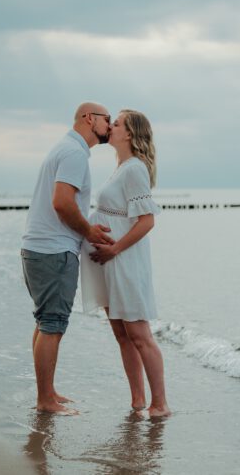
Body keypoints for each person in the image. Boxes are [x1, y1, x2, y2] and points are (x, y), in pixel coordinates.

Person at [21, 102, 114, 414]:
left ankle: (47, 392)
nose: (111, 126)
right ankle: (45, 401)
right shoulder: (74, 153)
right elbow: (62, 202)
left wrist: (85, 226)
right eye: (107, 120)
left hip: (39, 248)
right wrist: (88, 230)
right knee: (52, 323)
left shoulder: (66, 149)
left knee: (46, 321)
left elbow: (63, 202)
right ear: (89, 119)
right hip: (53, 250)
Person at [81, 109, 171, 417]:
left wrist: (115, 249)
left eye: (116, 124)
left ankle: (160, 404)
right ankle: (137, 402)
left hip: (125, 260)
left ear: (129, 134)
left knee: (139, 335)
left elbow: (147, 222)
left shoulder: (134, 169)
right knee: (122, 335)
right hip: (109, 260)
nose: (110, 127)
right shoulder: (121, 167)